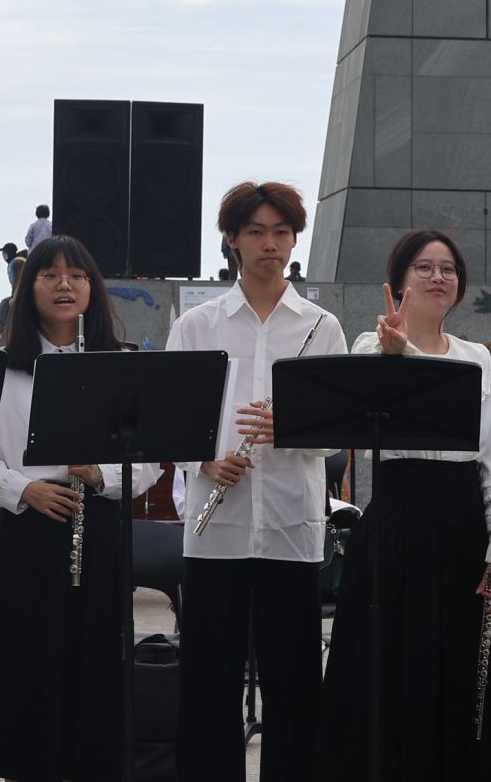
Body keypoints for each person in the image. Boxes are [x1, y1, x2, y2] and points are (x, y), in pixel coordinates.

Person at [319, 229, 491, 782]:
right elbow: (360, 412)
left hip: (465, 532)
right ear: (398, 282)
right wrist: (397, 354)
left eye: (448, 268)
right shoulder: (370, 348)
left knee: (471, 682)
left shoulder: (477, 357)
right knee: (392, 675)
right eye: (424, 267)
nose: (438, 277)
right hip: (397, 530)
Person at [167, 181, 346, 782]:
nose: (270, 244)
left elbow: (336, 435)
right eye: (256, 232)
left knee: (293, 683)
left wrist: (290, 426)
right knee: (209, 681)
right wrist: (205, 461)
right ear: (232, 241)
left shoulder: (321, 326)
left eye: (281, 232)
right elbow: (170, 422)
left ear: (295, 241)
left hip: (292, 528)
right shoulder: (197, 325)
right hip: (215, 530)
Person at [0, 234, 155, 782]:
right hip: (30, 527)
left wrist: (100, 475)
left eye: (77, 275)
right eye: (50, 275)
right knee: (27, 659)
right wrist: (24, 490)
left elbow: (151, 462)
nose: (65, 285)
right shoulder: (0, 371)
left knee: (97, 659)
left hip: (100, 526)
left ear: (93, 288)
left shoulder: (123, 365)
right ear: (29, 289)